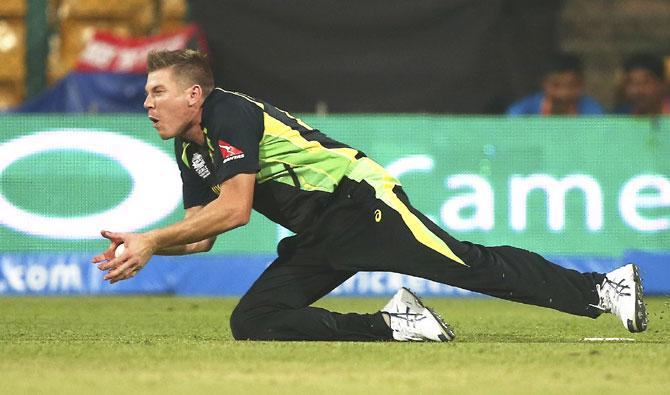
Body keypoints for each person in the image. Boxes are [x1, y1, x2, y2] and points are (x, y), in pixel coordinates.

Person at [93, 49, 647, 341]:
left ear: (193, 94)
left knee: (469, 266)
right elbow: (200, 240)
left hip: (362, 205)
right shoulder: (191, 150)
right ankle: (396, 325)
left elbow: (234, 211)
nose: (146, 102)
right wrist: (145, 247)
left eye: (157, 91)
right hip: (320, 234)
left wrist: (149, 238)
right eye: (146, 93)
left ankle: (604, 289)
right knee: (255, 320)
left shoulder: (227, 113)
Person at [507, 53, 604, 116]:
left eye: (572, 85)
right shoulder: (522, 112)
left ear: (582, 84)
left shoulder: (593, 113)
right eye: (556, 85)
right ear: (544, 84)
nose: (563, 93)